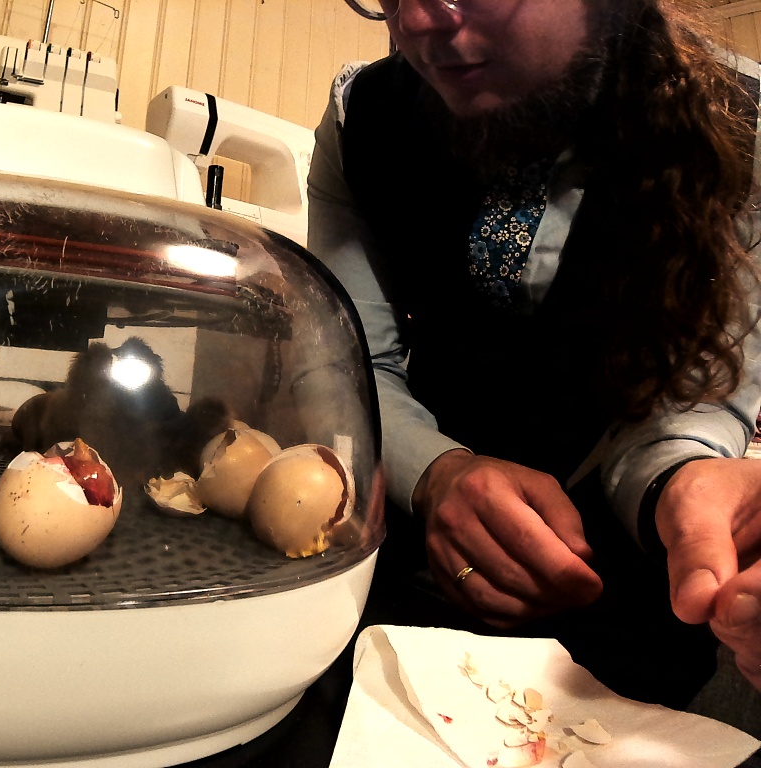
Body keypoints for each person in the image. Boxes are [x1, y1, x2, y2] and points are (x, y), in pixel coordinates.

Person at [307, 0, 761, 709]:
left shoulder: (742, 126)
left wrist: (681, 486)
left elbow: (696, 399)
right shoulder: (361, 117)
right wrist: (435, 472)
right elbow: (349, 362)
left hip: (632, 616)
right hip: (395, 576)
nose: (416, 20)